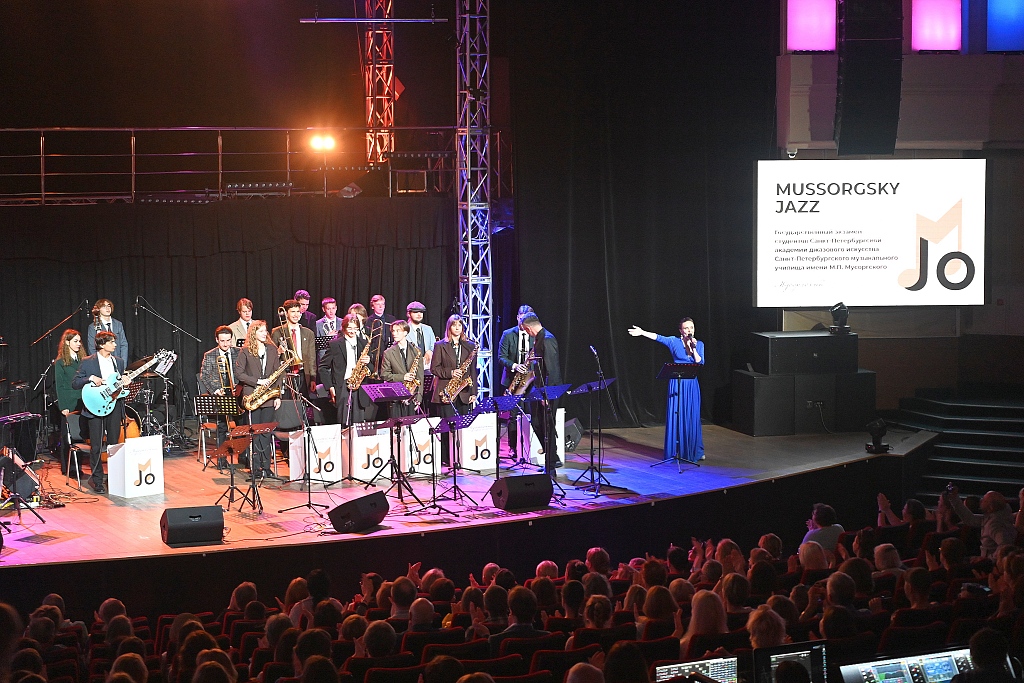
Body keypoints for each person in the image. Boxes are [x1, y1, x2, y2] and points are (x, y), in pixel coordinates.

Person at [627, 318, 704, 463]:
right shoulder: (673, 341)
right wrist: (642, 332)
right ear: (681, 331)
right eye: (686, 328)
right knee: (677, 415)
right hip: (677, 382)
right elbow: (658, 337)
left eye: (691, 327)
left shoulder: (699, 344)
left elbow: (699, 361)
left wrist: (693, 348)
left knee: (692, 416)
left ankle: (695, 450)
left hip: (691, 385)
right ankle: (676, 450)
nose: (690, 330)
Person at [71, 330, 127, 493]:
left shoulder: (119, 362)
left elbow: (119, 385)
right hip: (95, 406)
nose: (115, 345)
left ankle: (114, 478)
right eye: (111, 342)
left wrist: (125, 382)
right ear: (102, 344)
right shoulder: (88, 362)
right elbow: (75, 383)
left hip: (113, 406)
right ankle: (98, 481)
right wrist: (90, 378)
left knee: (114, 445)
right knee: (96, 446)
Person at [234, 320, 283, 479]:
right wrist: (257, 382)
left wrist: (277, 395)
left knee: (266, 433)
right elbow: (239, 374)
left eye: (265, 331)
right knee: (254, 433)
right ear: (253, 333)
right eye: (261, 331)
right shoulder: (245, 351)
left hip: (269, 396)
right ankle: (255, 467)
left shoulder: (272, 349)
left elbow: (278, 373)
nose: (264, 334)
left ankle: (266, 467)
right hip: (253, 396)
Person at [430, 315, 478, 462]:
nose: (457, 328)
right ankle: (446, 458)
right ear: (449, 327)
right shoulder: (440, 345)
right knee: (446, 425)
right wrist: (450, 373)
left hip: (464, 392)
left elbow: (473, 371)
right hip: (446, 391)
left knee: (462, 426)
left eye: (459, 325)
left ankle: (461, 456)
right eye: (454, 325)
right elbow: (434, 368)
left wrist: (474, 391)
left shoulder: (470, 346)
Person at [520, 313, 562, 469]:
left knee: (547, 425)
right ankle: (552, 456)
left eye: (526, 330)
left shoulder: (547, 339)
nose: (527, 333)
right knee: (537, 422)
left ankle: (551, 463)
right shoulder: (539, 338)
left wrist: (546, 394)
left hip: (548, 389)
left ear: (529, 328)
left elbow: (552, 370)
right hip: (539, 387)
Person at [319, 314, 376, 426]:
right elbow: (323, 367)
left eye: (355, 328)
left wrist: (368, 361)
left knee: (359, 424)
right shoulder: (335, 344)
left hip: (359, 386)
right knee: (344, 423)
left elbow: (371, 369)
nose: (352, 331)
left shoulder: (364, 343)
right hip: (343, 386)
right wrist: (330, 387)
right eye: (350, 328)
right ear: (344, 328)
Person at [496, 305, 535, 459]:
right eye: (522, 317)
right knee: (513, 416)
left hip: (530, 381)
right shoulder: (508, 334)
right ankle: (513, 447)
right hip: (512, 380)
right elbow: (501, 357)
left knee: (530, 414)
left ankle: (530, 447)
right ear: (518, 317)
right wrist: (515, 366)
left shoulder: (534, 335)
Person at [944, 485, 1018, 559]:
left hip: (990, 563)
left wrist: (990, 559)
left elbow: (1005, 545)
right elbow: (970, 519)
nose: (981, 500)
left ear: (991, 508)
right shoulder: (994, 517)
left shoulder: (995, 525)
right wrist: (954, 498)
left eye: (984, 500)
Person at [198, 326, 240, 451]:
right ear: (217, 340)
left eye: (228, 340)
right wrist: (216, 390)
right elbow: (204, 376)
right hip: (220, 395)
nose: (226, 344)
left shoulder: (239, 352)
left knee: (241, 425)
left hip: (237, 393)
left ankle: (243, 456)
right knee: (222, 426)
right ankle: (222, 457)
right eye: (222, 341)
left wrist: (239, 386)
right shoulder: (210, 355)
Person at [54, 329, 85, 474]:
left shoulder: (83, 360)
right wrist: (63, 406)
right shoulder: (61, 362)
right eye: (75, 341)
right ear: (67, 342)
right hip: (69, 402)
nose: (79, 344)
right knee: (68, 437)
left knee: (81, 435)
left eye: (79, 341)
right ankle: (68, 468)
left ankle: (78, 467)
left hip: (83, 401)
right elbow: (60, 386)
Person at [271, 299, 316, 396]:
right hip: (285, 374)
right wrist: (278, 352)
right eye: (292, 312)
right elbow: (271, 357)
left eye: (298, 312)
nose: (296, 315)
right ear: (286, 314)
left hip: (303, 374)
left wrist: (313, 378)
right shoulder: (277, 332)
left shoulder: (308, 333)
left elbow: (312, 358)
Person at [381, 321, 424, 417]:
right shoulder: (388, 353)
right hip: (395, 397)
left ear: (405, 332)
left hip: (412, 397)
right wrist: (403, 377)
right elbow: (384, 375)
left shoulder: (416, 351)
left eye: (398, 331)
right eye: (393, 331)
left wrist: (418, 398)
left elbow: (420, 377)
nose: (394, 333)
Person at [87, 299, 129, 366]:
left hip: (117, 362)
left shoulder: (118, 324)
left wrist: (123, 364)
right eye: (104, 306)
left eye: (109, 306)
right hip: (103, 364)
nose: (107, 308)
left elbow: (124, 344)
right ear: (98, 309)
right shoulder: (93, 327)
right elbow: (92, 348)